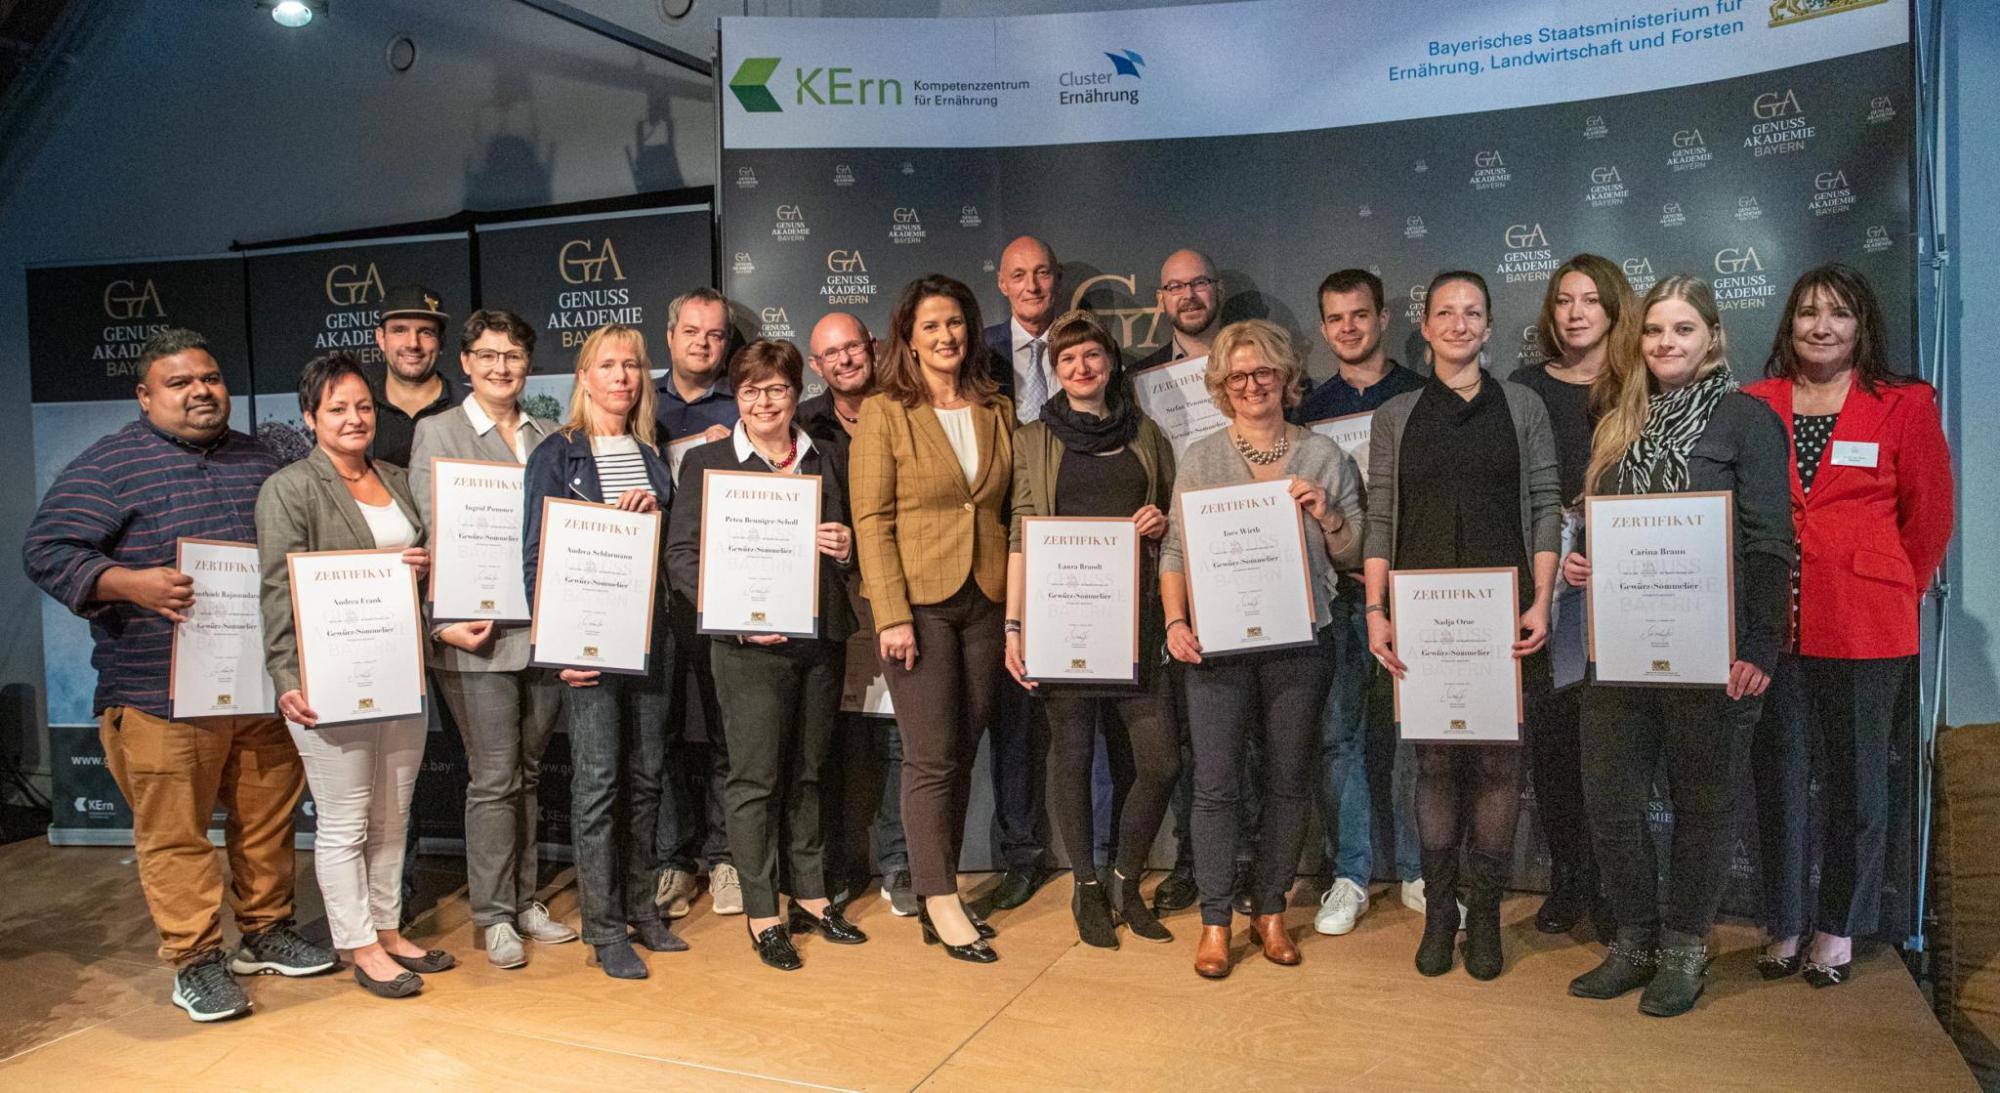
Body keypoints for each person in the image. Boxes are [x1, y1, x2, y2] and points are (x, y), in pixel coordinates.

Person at [23, 328, 334, 1023]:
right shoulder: (108, 465)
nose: (201, 391)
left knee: (266, 820)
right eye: (180, 382)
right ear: (145, 395)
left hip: (260, 682)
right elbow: (46, 549)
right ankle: (196, 960)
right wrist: (128, 582)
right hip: (157, 691)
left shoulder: (263, 458)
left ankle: (266, 930)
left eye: (210, 378)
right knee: (175, 833)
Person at [1561, 275, 1793, 1017]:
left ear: (1712, 337)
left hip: (1713, 650)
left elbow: (1769, 539)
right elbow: (1601, 524)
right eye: (1655, 329)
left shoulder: (1746, 420)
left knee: (1704, 804)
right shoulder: (1618, 418)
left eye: (1683, 328)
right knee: (1610, 800)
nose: (1666, 342)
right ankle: (1634, 939)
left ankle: (1686, 946)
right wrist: (1582, 560)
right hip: (1620, 647)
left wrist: (1761, 645)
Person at [1744, 264, 1952, 987]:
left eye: (1838, 313)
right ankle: (1784, 921)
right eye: (1808, 312)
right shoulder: (1756, 403)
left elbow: (1930, 516)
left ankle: (1837, 927)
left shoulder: (1904, 404)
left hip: (1867, 627)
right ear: (1789, 324)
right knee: (1778, 779)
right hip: (1774, 627)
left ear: (1862, 325)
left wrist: (1889, 584)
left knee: (1858, 786)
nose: (1822, 326)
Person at [1364, 270, 1560, 983]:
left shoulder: (1523, 405)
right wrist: (1376, 610)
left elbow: (1545, 503)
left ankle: (1484, 917)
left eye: (1472, 312)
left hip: (1506, 615)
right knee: (1437, 764)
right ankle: (1439, 915)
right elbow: (1380, 515)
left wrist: (1542, 601)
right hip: (1422, 620)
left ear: (1488, 325)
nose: (1458, 323)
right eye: (1445, 311)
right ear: (1425, 325)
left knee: (1501, 765)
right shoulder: (1396, 415)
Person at [1161, 319, 1364, 979]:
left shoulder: (1324, 455)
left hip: (1300, 641)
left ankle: (1271, 910)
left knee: (1288, 780)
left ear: (1286, 377)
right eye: (1238, 376)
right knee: (1216, 785)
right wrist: (1174, 620)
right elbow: (1175, 550)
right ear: (1222, 386)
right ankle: (1216, 919)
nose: (1252, 385)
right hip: (1216, 646)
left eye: (1264, 372)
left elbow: (1355, 552)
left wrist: (1326, 513)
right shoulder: (1200, 457)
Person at [667, 339, 866, 971]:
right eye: (751, 391)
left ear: (795, 393)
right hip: (745, 647)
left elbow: (861, 540)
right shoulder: (708, 463)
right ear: (737, 396)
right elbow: (682, 557)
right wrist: (732, 615)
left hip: (819, 637)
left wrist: (848, 547)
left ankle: (810, 894)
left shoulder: (828, 456)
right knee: (754, 779)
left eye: (777, 389)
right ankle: (762, 911)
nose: (764, 402)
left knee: (809, 772)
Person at [255, 353, 447, 999]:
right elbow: (277, 589)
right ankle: (358, 942)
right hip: (327, 679)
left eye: (363, 406)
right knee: (345, 820)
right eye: (336, 408)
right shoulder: (289, 488)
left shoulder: (396, 478)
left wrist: (423, 566)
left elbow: (423, 561)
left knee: (394, 814)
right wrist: (286, 674)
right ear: (310, 417)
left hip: (400, 669)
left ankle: (387, 928)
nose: (354, 418)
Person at [1002, 310, 1180, 949]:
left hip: (1137, 622)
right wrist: (1014, 626)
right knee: (1072, 756)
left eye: (1092, 356)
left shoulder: (1148, 434)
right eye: (1067, 359)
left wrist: (1162, 522)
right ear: (1055, 370)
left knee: (1160, 761)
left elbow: (1173, 516)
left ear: (1111, 363)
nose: (1081, 368)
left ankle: (1125, 880)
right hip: (1064, 623)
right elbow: (1022, 534)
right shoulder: (1033, 439)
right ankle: (1085, 885)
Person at [851, 274, 1014, 963]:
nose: (946, 336)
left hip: (985, 598)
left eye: (955, 322)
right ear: (908, 340)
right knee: (930, 754)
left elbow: (1003, 507)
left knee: (964, 749)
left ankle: (934, 888)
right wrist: (891, 615)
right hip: (916, 606)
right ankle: (939, 895)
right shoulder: (885, 412)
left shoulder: (996, 408)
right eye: (931, 326)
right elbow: (871, 519)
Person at [407, 309, 576, 969]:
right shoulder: (438, 431)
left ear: (528, 365)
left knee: (527, 773)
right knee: (494, 775)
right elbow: (426, 531)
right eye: (487, 355)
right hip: (473, 633)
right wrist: (441, 617)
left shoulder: (549, 435)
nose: (501, 367)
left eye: (513, 356)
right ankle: (494, 915)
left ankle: (525, 899)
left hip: (541, 630)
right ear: (466, 362)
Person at [523, 323, 683, 980]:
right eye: (608, 365)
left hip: (650, 635)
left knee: (646, 778)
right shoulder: (556, 453)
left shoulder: (651, 454)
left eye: (633, 366)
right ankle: (604, 926)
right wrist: (557, 644)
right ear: (584, 378)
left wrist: (652, 519)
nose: (622, 376)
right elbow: (536, 555)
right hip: (588, 643)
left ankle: (642, 907)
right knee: (597, 783)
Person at [1294, 268, 1428, 938]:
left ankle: (1419, 869)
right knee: (1340, 737)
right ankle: (1350, 873)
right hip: (1339, 593)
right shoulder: (1309, 411)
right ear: (1323, 328)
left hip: (1409, 592)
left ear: (1382, 318)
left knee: (1414, 735)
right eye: (1336, 318)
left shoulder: (1421, 397)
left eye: (1359, 314)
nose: (1348, 328)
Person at [1509, 254, 1636, 940]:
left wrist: (1606, 535)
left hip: (1621, 587)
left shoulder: (1637, 383)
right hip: (1546, 587)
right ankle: (1569, 880)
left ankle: (1618, 891)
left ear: (1614, 309)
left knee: (1613, 749)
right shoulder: (1524, 387)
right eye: (1563, 300)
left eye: (1590, 299)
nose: (1576, 312)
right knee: (1554, 746)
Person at [801, 312, 916, 917]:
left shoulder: (908, 409)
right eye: (831, 354)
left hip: (901, 594)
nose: (845, 360)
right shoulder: (801, 425)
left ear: (872, 347)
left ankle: (899, 863)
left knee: (901, 739)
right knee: (838, 741)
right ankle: (843, 864)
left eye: (852, 347)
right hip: (831, 605)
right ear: (815, 366)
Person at [1134, 248, 1230, 917]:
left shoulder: (1251, 362)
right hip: (1172, 570)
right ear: (1160, 299)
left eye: (1198, 283)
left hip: (1246, 560)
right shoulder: (1141, 381)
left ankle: (1245, 861)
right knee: (1191, 733)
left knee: (1249, 733)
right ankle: (1195, 862)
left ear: (1215, 290)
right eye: (1175, 286)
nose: (1188, 295)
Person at [979, 235, 1063, 910]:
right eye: (1018, 275)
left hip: (1080, 551)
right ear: (1002, 284)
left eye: (1041, 274)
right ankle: (1021, 852)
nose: (1031, 285)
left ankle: (1101, 851)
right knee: (1013, 720)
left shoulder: (1088, 348)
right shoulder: (975, 355)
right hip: (997, 551)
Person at [651, 287, 741, 919]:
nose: (702, 344)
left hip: (723, 589)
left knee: (725, 729)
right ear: (670, 336)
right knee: (660, 734)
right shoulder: (639, 402)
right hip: (647, 594)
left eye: (714, 334)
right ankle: (674, 862)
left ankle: (726, 855)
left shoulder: (742, 404)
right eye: (691, 331)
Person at [369, 284, 460, 468]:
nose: (413, 344)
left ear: (442, 341)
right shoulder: (361, 408)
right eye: (400, 330)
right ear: (381, 338)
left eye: (426, 332)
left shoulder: (469, 404)